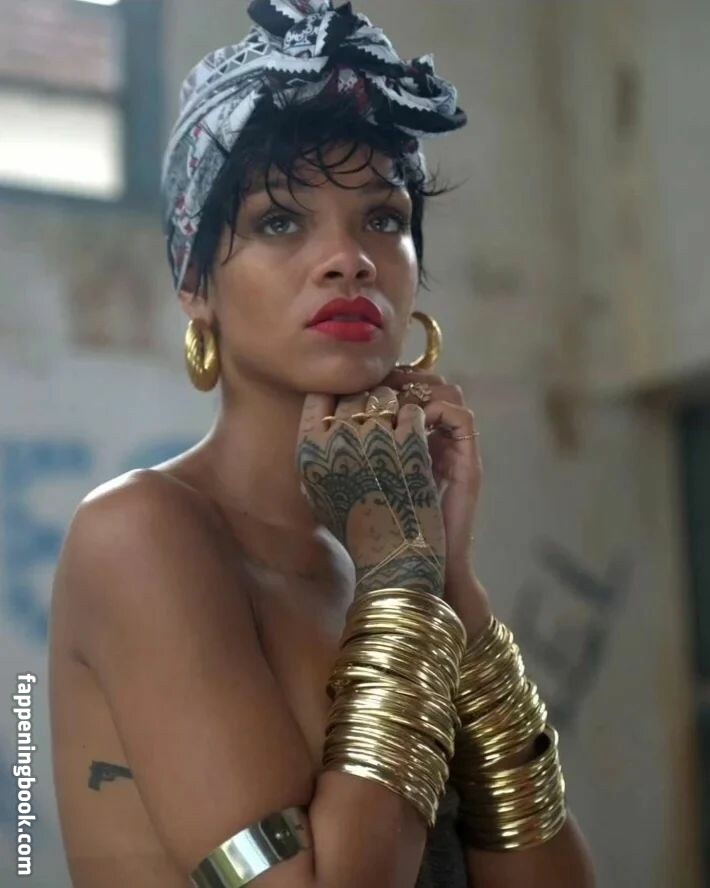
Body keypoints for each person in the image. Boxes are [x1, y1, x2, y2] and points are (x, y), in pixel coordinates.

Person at [49, 1, 596, 886]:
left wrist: (450, 581)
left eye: (383, 218)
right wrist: (405, 589)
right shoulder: (142, 534)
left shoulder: (377, 558)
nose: (350, 259)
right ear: (196, 282)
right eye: (279, 221)